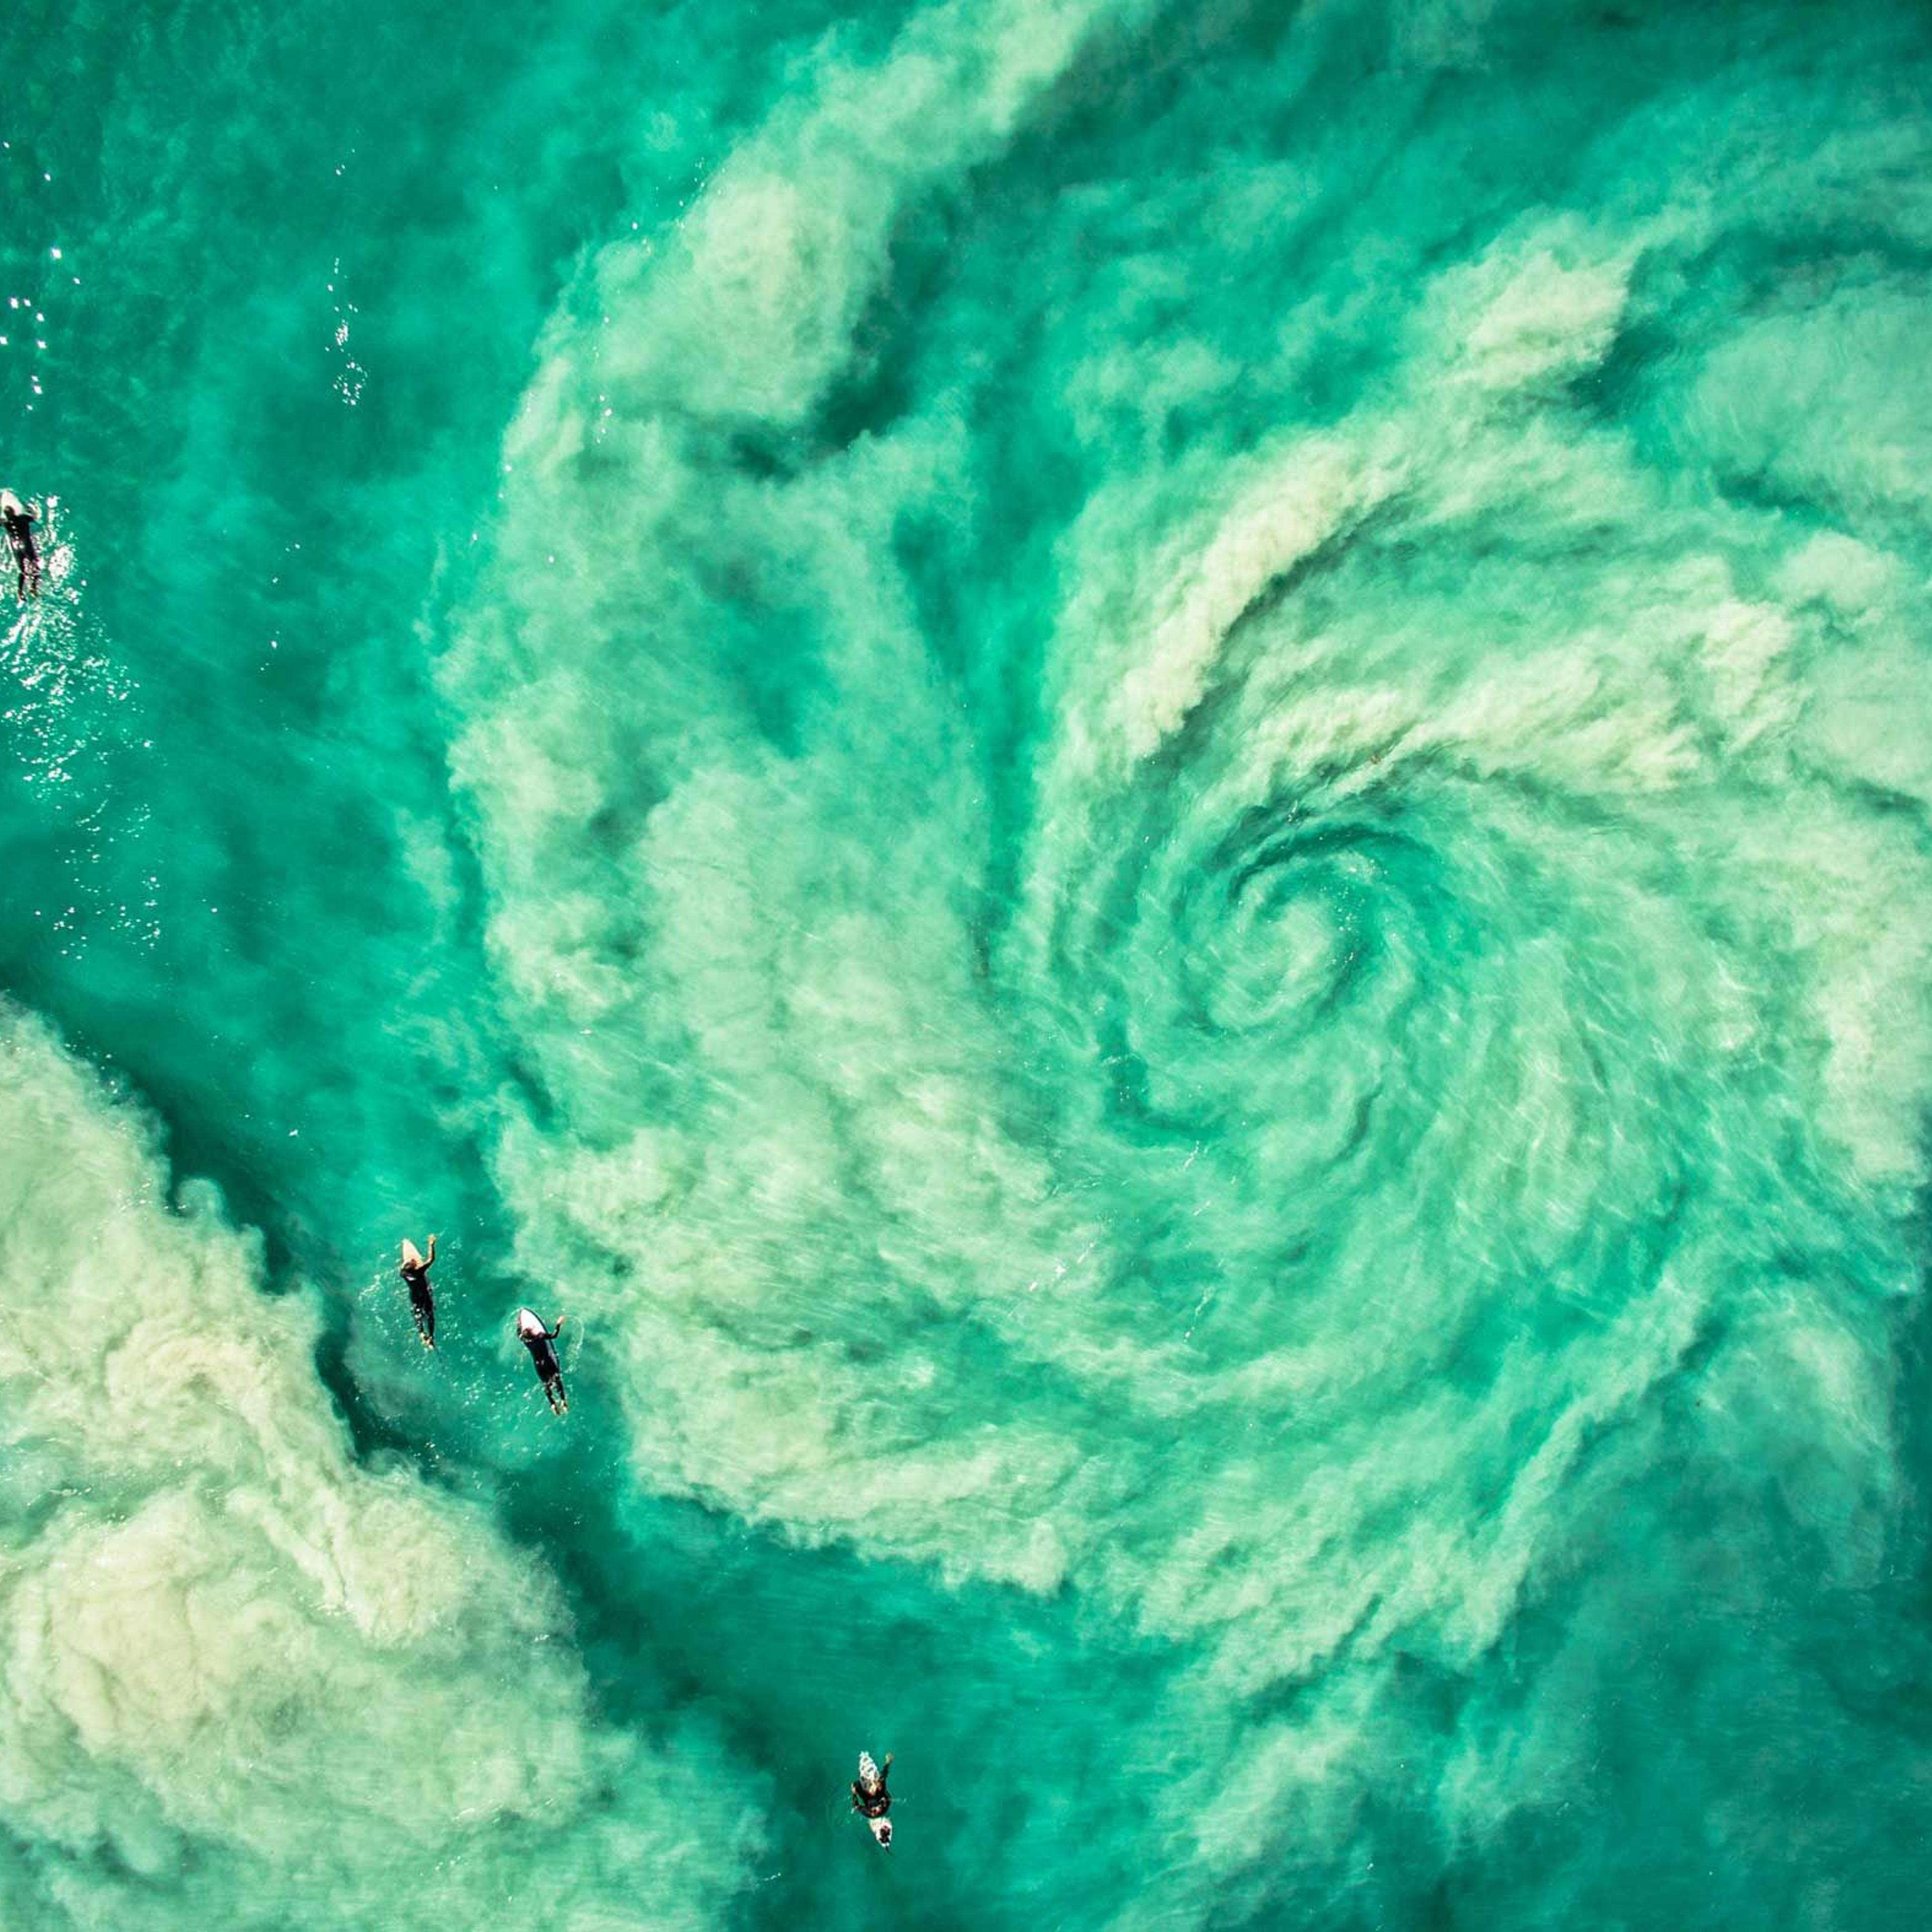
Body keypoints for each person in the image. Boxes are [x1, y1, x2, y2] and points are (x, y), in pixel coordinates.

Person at [515, 1307, 568, 1414]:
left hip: (538, 1365)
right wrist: (559, 1324)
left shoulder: (526, 1341)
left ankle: (552, 1403)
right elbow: (554, 1336)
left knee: (546, 1384)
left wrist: (519, 1323)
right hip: (547, 1361)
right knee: (557, 1379)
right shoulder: (540, 1336)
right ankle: (563, 1400)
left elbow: (519, 1335)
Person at [1, 490, 41, 600]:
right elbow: (35, 517)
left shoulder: (5, 523)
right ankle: (33, 588)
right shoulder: (23, 518)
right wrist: (30, 508)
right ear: (14, 512)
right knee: (35, 566)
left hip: (16, 547)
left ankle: (20, 591)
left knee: (22, 570)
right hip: (25, 544)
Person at [399, 1234, 437, 1348]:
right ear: (416, 1267)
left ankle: (421, 1333)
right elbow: (431, 1259)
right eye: (413, 1262)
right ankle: (431, 1337)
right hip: (425, 1295)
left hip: (415, 1296)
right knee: (430, 1315)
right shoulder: (420, 1272)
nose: (413, 1260)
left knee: (417, 1313)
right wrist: (431, 1245)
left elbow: (403, 1267)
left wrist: (407, 1264)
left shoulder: (403, 1274)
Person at [851, 1751, 894, 1848]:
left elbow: (856, 1806)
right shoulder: (884, 1802)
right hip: (876, 1794)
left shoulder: (870, 1813)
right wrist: (888, 1763)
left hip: (867, 1793)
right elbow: (883, 1779)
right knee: (879, 1782)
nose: (876, 1809)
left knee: (857, 1784)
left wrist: (853, 1794)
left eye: (875, 1810)